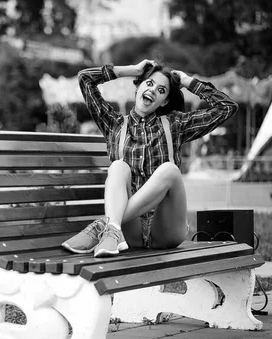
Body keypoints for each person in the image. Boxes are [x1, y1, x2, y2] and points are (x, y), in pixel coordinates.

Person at [62, 60, 239, 257]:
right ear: (137, 87)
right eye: (149, 83)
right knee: (118, 167)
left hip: (167, 230)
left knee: (169, 170)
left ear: (164, 101)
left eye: (161, 90)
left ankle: (105, 225)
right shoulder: (114, 125)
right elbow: (85, 79)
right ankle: (112, 229)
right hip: (130, 233)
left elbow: (227, 107)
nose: (153, 90)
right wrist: (131, 70)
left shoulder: (175, 124)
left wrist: (188, 81)